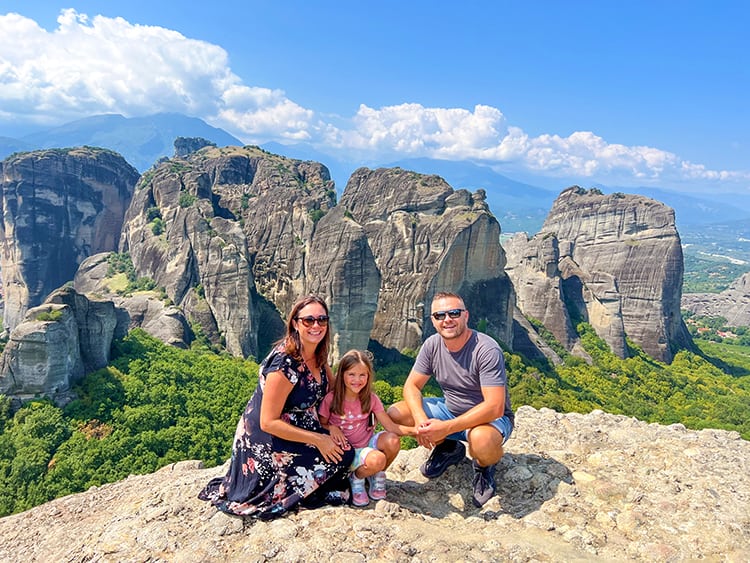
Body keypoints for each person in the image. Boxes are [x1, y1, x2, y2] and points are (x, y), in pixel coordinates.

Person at [198, 295, 355, 519]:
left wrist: (330, 426)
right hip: (266, 438)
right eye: (308, 320)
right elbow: (268, 421)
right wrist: (319, 439)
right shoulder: (285, 363)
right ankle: (290, 490)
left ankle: (306, 485)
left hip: (301, 427)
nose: (316, 326)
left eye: (322, 319)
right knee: (340, 456)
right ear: (295, 323)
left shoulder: (317, 353)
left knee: (343, 450)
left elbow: (330, 390)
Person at [387, 291, 514, 507]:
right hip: (450, 410)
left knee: (481, 441)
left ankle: (483, 467)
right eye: (440, 315)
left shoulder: (486, 349)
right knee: (396, 414)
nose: (447, 320)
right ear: (433, 321)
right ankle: (449, 448)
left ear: (466, 315)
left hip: (488, 419)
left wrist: (445, 427)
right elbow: (411, 386)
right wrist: (421, 421)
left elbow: (494, 407)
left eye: (454, 313)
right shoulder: (432, 344)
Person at [319, 350, 414, 507]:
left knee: (392, 440)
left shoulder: (371, 399)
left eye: (362, 375)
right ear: (342, 374)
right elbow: (320, 424)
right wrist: (331, 427)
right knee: (378, 459)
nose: (357, 380)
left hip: (367, 445)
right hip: (347, 452)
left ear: (369, 376)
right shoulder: (332, 399)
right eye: (352, 375)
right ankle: (356, 477)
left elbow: (390, 426)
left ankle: (373, 472)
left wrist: (416, 431)